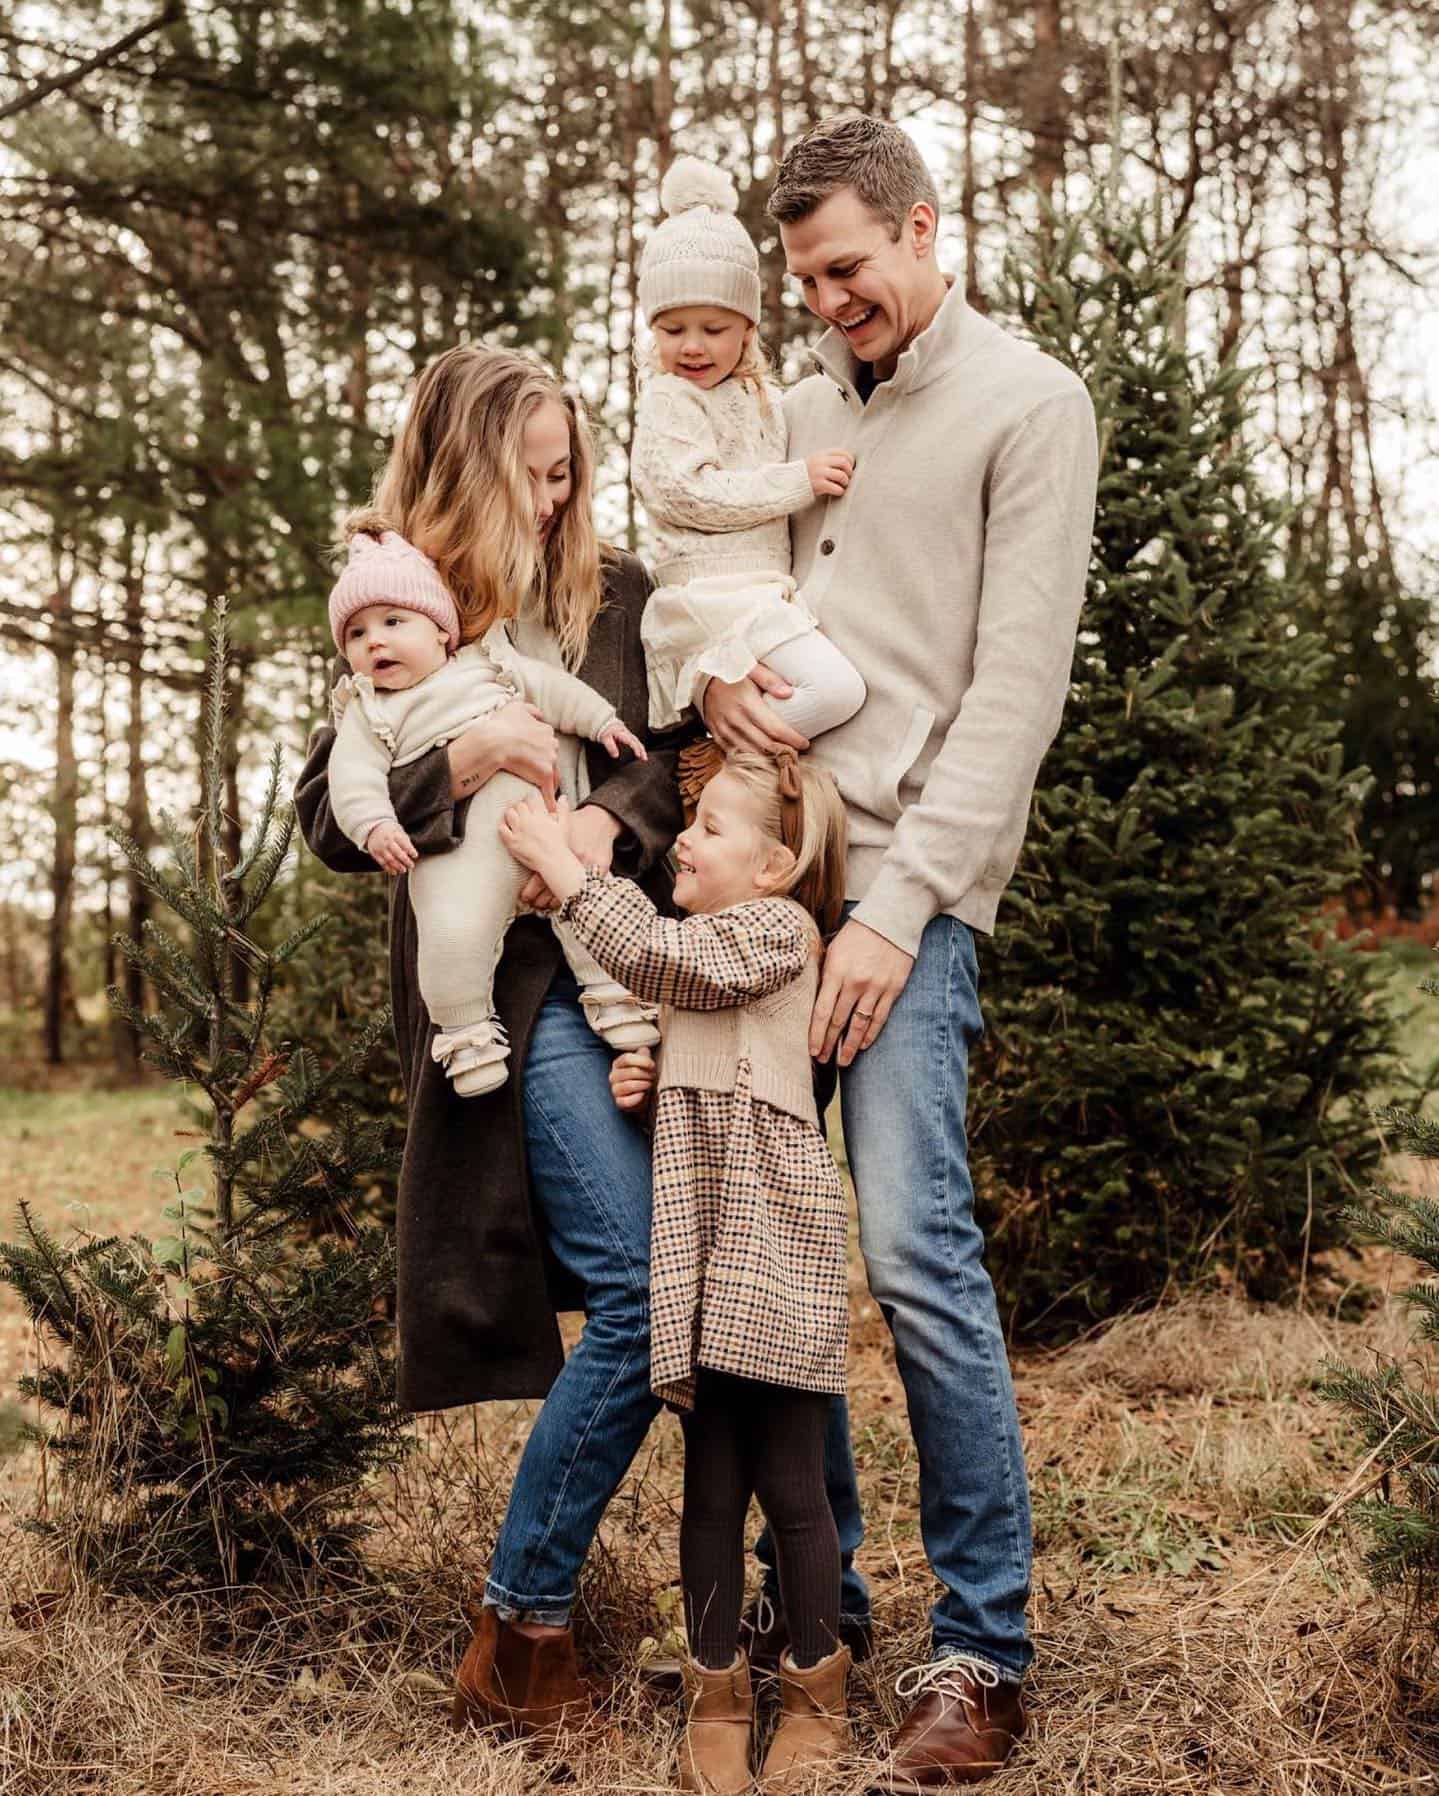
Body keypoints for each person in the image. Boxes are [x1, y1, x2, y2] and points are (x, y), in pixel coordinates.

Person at [699, 116, 1100, 1787]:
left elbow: (1013, 693)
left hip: (904, 900)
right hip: (755, 888)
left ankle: (980, 1648)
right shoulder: (790, 418)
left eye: (844, 269)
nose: (821, 302)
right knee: (772, 1265)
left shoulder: (1030, 404)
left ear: (925, 231)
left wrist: (895, 905)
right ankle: (822, 1610)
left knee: (913, 1246)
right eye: (800, 280)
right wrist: (715, 676)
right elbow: (730, 594)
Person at [294, 345, 684, 1738]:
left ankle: (804, 1609)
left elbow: (672, 753)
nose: (549, 492)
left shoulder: (622, 593)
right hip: (512, 996)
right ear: (461, 469)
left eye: (564, 466)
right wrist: (456, 770)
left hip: (650, 963)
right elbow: (328, 817)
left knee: (715, 1278)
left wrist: (598, 826)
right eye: (521, 469)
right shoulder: (405, 606)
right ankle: (519, 1631)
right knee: (648, 1293)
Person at [499, 749, 854, 1796]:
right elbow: (707, 1045)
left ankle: (813, 1683)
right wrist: (655, 1080)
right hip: (700, 1246)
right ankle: (714, 1689)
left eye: (706, 826)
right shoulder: (711, 943)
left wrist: (571, 874)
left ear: (776, 863)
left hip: (771, 1245)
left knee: (791, 1485)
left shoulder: (778, 930)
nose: (682, 840)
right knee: (708, 1487)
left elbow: (663, 961)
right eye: (685, 823)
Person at [325, 527, 658, 1095]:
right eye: (356, 633)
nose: (374, 642)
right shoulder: (368, 713)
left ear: (440, 630)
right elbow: (350, 780)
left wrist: (603, 722)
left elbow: (554, 692)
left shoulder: (488, 666)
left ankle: (618, 1000)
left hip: (549, 833)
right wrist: (376, 825)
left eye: (392, 622)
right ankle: (468, 1036)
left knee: (591, 908)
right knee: (452, 941)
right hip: (462, 863)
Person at [633, 154, 867, 744]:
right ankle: (716, 761)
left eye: (712, 329)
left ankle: (730, 766)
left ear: (747, 327)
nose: (691, 347)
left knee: (816, 692)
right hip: (712, 598)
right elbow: (688, 492)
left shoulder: (760, 398)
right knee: (836, 691)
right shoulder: (667, 399)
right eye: (671, 328)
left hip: (761, 594)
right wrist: (799, 480)